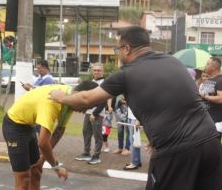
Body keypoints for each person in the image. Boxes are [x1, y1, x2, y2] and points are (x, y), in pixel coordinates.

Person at [49, 26, 222, 190]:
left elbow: (86, 99)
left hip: (177, 153)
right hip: (211, 143)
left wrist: (61, 97)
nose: (118, 54)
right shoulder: (173, 61)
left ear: (127, 48)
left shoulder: (126, 74)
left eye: (118, 50)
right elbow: (174, 99)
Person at [2, 81, 98, 190]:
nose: (85, 111)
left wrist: (42, 159)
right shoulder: (53, 102)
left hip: (28, 126)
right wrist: (56, 167)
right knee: (23, 179)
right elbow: (43, 143)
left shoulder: (69, 98)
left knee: (36, 171)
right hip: (14, 125)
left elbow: (60, 129)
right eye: (85, 105)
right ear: (77, 94)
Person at [75, 63, 105, 164]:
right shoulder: (91, 82)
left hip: (98, 113)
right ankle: (86, 153)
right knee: (86, 132)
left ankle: (96, 156)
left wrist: (95, 113)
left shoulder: (104, 83)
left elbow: (103, 101)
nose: (96, 72)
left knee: (97, 135)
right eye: (95, 70)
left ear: (102, 71)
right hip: (88, 112)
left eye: (99, 70)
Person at [200, 57, 222, 141]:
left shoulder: (220, 80)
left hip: (216, 122)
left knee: (213, 147)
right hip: (206, 119)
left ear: (213, 67)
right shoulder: (209, 79)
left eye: (208, 64)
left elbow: (221, 98)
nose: (205, 66)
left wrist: (206, 97)